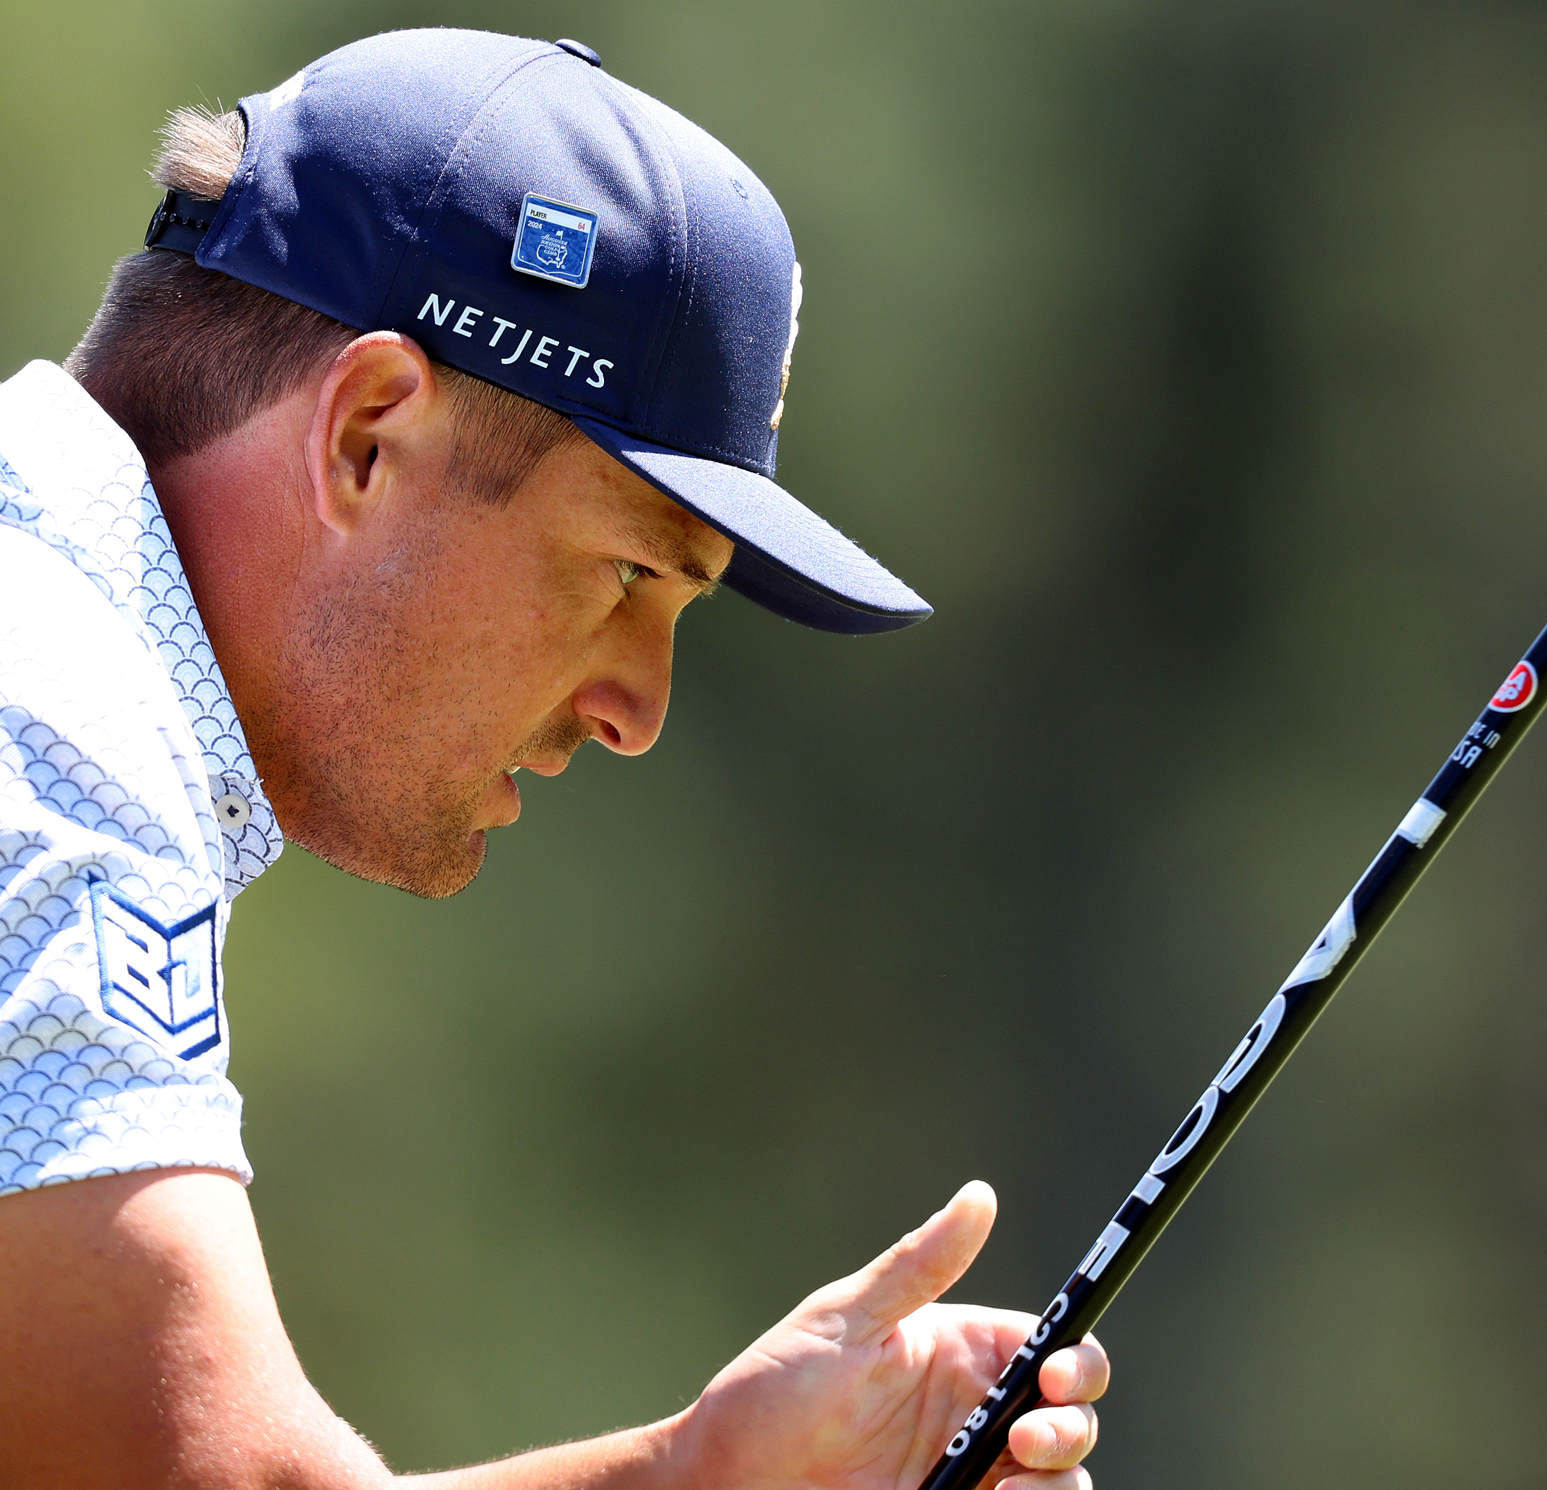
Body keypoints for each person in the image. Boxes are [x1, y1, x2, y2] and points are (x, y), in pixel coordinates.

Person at [0, 29, 1109, 1490]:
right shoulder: (52, 726)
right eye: (624, 577)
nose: (639, 708)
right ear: (368, 437)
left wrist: (698, 1475)